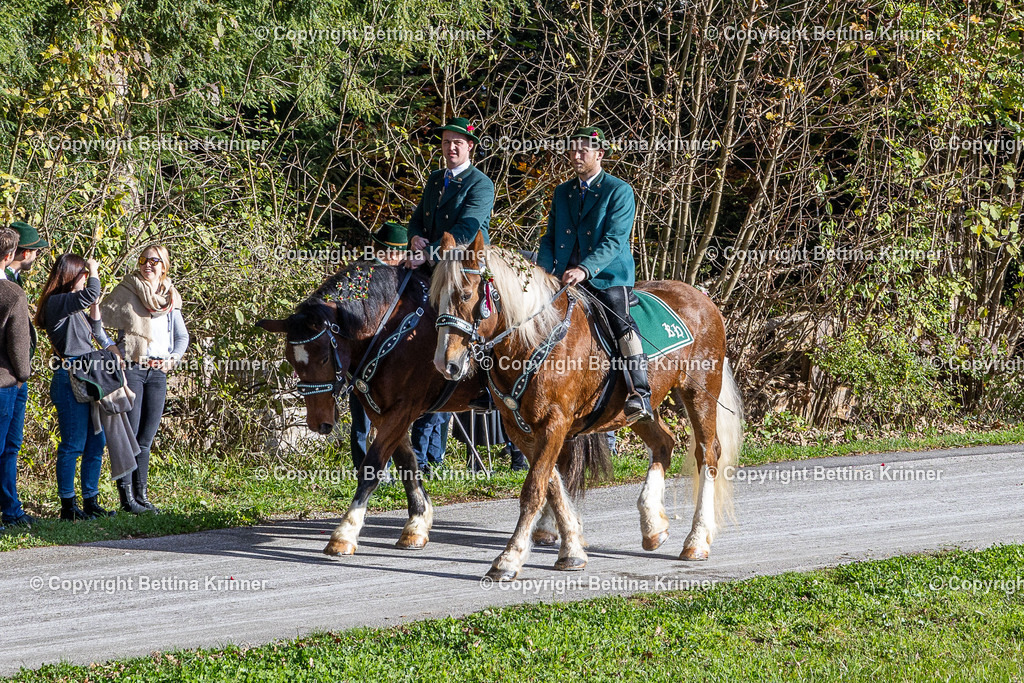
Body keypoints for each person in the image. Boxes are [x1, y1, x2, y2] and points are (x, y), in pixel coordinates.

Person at [538, 126, 653, 424]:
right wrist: (543, 269)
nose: (575, 155)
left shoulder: (619, 190)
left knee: (620, 319)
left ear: (599, 154)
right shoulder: (563, 192)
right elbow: (549, 237)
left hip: (607, 277)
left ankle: (640, 392)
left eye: (582, 150)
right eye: (572, 150)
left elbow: (614, 241)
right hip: (563, 277)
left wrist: (585, 268)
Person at [100, 245, 189, 513]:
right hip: (132, 369)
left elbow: (181, 336)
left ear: (164, 266)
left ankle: (142, 496)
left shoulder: (170, 297)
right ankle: (127, 499)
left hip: (158, 373)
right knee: (129, 434)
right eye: (143, 260)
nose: (147, 265)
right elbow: (97, 321)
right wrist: (110, 347)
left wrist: (173, 358)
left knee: (146, 439)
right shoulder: (126, 290)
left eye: (154, 261)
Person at [36, 254, 116, 520]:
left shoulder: (74, 309)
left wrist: (94, 304)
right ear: (72, 275)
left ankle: (90, 501)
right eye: (83, 272)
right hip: (69, 377)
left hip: (88, 377)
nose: (88, 276)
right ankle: (68, 506)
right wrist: (94, 269)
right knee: (73, 443)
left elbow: (95, 328)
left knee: (96, 441)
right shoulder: (56, 303)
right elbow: (92, 289)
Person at [349, 223, 407, 479]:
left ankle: (377, 470)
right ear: (392, 253)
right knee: (364, 419)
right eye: (401, 253)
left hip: (385, 359)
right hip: (366, 356)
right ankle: (368, 470)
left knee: (379, 418)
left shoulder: (397, 276)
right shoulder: (364, 275)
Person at [404, 116, 495, 267]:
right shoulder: (435, 178)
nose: (451, 147)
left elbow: (466, 230)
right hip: (426, 259)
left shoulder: (481, 184)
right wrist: (415, 238)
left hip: (465, 263)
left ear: (470, 145)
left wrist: (428, 254)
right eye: (446, 142)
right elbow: (417, 219)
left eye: (457, 142)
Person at [0, 227, 34, 529]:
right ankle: (9, 511)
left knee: (8, 448)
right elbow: (18, 343)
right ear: (9, 256)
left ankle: (10, 508)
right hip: (5, 381)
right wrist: (23, 374)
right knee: (5, 447)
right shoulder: (12, 294)